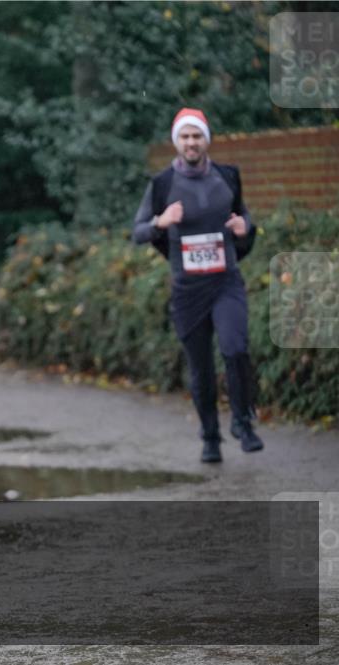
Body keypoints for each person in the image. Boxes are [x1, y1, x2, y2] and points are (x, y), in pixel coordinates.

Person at [132, 107, 264, 463]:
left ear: (207, 139)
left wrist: (245, 228)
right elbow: (138, 232)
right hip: (188, 290)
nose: (191, 142)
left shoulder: (227, 176)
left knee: (235, 347)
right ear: (177, 142)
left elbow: (244, 218)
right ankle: (210, 438)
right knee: (201, 369)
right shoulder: (161, 185)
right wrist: (162, 220)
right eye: (185, 137)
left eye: (197, 136)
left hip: (226, 281)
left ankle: (243, 421)